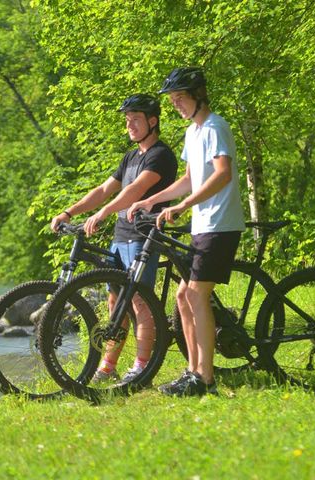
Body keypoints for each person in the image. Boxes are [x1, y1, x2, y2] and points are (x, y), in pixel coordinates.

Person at [127, 67, 245, 396]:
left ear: (198, 96)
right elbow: (189, 180)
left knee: (194, 295)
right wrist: (153, 199)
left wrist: (182, 206)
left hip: (220, 224)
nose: (175, 104)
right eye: (173, 99)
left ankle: (205, 379)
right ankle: (193, 371)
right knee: (182, 297)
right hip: (203, 224)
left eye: (180, 98)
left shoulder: (215, 127)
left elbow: (222, 175)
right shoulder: (193, 132)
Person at [51, 94, 177, 384]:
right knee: (115, 301)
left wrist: (104, 213)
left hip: (143, 237)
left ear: (153, 121)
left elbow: (134, 192)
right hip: (121, 237)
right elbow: (104, 189)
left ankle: (142, 367)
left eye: (135, 119)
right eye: (127, 120)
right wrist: (69, 212)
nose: (129, 125)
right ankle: (108, 368)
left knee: (139, 302)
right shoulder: (130, 156)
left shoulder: (160, 155)